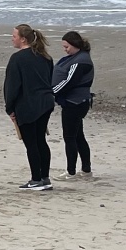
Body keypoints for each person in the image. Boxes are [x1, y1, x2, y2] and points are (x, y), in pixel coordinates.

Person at [4, 24, 56, 191]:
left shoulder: (17, 58)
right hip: (46, 102)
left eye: (14, 36)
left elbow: (12, 86)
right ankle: (44, 178)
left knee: (31, 142)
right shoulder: (45, 57)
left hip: (28, 104)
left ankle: (36, 179)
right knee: (40, 139)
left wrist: (9, 108)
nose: (12, 39)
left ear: (23, 39)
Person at [53, 31, 95, 178]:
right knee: (78, 136)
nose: (65, 49)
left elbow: (69, 82)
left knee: (70, 137)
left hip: (75, 103)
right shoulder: (73, 58)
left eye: (67, 46)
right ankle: (86, 169)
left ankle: (71, 172)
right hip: (73, 102)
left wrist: (52, 92)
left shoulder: (81, 61)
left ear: (75, 45)